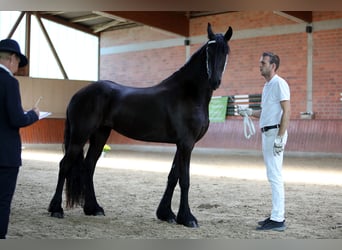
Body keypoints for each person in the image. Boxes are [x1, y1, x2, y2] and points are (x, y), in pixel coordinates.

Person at [238, 52, 291, 231]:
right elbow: (266, 112)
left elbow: (287, 112)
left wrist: (279, 137)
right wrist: (249, 112)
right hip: (267, 133)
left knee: (275, 175)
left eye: (263, 63)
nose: (260, 65)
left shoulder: (279, 84)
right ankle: (276, 215)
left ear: (273, 65)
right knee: (272, 175)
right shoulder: (267, 86)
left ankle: (278, 219)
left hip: (275, 133)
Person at [0, 38, 40, 239]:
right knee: (2, 200)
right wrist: (33, 114)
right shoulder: (9, 82)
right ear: (12, 58)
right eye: (17, 62)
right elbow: (17, 119)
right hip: (4, 155)